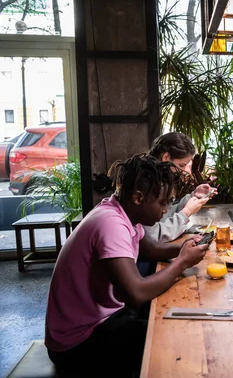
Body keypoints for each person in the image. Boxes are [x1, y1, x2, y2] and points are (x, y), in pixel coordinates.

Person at [45, 154, 209, 375]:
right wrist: (182, 262)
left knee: (166, 319)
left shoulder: (120, 211)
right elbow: (136, 293)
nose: (165, 209)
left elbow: (149, 249)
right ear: (138, 198)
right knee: (171, 336)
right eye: (162, 202)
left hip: (101, 320)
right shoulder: (110, 224)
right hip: (77, 342)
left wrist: (186, 247)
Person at [145, 132, 216, 242]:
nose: (183, 171)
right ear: (166, 157)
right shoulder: (145, 183)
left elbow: (166, 215)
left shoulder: (160, 178)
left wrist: (193, 196)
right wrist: (186, 213)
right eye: (181, 165)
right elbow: (155, 236)